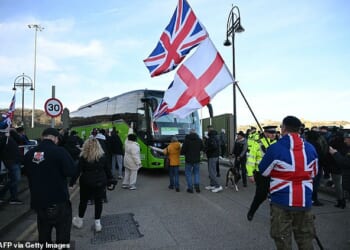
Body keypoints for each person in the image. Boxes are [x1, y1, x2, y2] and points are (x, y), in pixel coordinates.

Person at [258, 116, 318, 250]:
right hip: (305, 202)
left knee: (282, 240)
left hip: (281, 202)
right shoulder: (310, 148)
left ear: (284, 128)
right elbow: (314, 173)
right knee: (306, 240)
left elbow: (264, 171)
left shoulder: (275, 148)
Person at [23, 128, 76, 245]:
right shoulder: (60, 151)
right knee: (63, 235)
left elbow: (26, 172)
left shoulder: (30, 154)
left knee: (43, 235)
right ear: (55, 138)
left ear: (42, 137)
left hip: (39, 202)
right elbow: (71, 171)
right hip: (59, 201)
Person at [72, 138, 115, 232]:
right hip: (100, 182)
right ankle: (97, 223)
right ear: (98, 146)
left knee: (83, 201)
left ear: (86, 146)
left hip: (86, 182)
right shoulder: (102, 156)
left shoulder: (83, 157)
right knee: (99, 202)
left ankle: (79, 220)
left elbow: (77, 171)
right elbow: (108, 170)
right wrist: (111, 180)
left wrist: (72, 182)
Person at [246, 125, 277, 220]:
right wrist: (250, 173)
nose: (273, 135)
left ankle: (275, 216)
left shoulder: (278, 144)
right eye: (271, 133)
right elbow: (251, 159)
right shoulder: (258, 144)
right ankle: (252, 211)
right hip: (261, 174)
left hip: (275, 174)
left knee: (275, 196)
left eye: (274, 132)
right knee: (260, 195)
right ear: (265, 133)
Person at [0, 129, 23, 205]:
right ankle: (6, 195)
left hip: (15, 160)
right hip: (10, 160)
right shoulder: (3, 137)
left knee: (14, 179)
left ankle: (13, 197)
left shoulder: (10, 135)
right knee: (16, 179)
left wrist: (12, 131)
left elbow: (20, 140)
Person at [329, 130, 350, 209]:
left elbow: (345, 162)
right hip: (342, 172)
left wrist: (335, 153)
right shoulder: (347, 148)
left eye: (346, 139)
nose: (344, 141)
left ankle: (341, 201)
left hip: (338, 169)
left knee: (338, 185)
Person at [181, 129, 203, 193]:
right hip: (197, 159)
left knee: (188, 173)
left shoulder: (186, 140)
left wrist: (184, 153)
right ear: (195, 133)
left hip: (188, 160)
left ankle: (190, 188)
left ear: (189, 133)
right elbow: (202, 148)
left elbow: (183, 151)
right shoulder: (199, 140)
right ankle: (197, 186)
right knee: (196, 173)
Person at [204, 126, 223, 193]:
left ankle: (218, 186)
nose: (207, 132)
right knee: (212, 171)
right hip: (214, 156)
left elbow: (213, 146)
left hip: (212, 156)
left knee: (212, 172)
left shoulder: (212, 138)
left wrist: (206, 150)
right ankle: (212, 185)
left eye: (208, 131)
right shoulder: (216, 137)